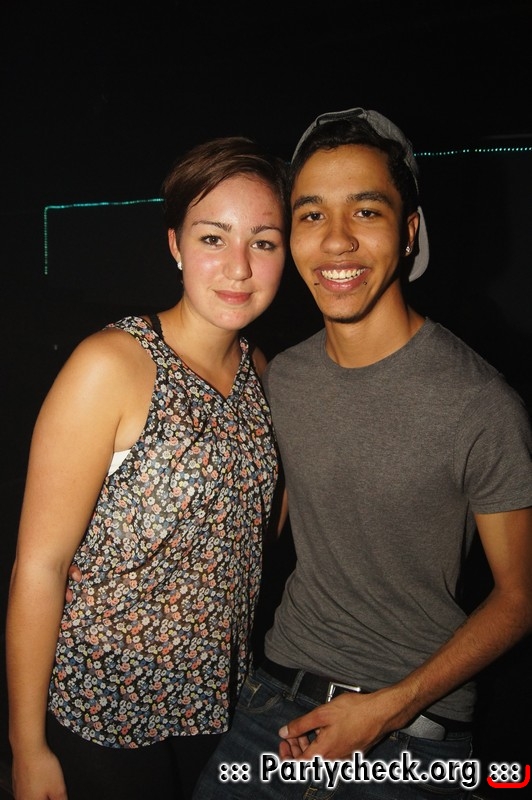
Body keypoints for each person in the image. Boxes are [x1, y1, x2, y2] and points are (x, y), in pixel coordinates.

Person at [192, 108, 532, 798]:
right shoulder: (283, 378)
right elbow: (258, 526)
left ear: (409, 232)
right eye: (312, 215)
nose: (336, 240)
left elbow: (519, 597)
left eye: (367, 211)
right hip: (270, 703)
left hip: (412, 733)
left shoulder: (480, 403)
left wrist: (388, 709)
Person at [6, 135, 290, 800]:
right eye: (213, 238)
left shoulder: (262, 371)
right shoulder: (112, 364)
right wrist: (26, 746)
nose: (239, 267)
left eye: (264, 242)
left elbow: (258, 527)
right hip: (103, 709)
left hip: (219, 704)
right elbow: (39, 566)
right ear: (175, 245)